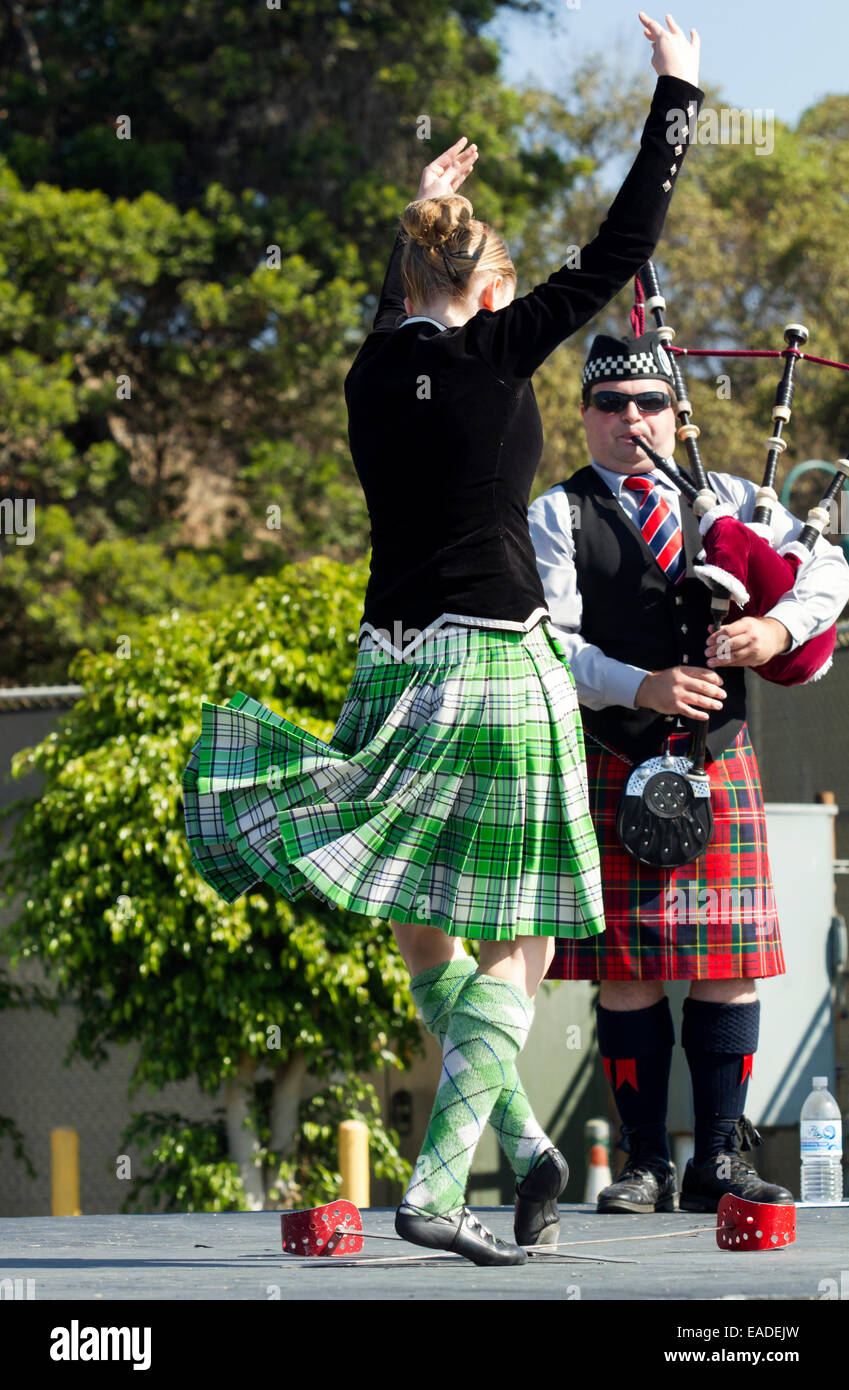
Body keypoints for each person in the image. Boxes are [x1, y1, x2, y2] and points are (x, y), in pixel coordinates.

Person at [183, 14, 703, 1263]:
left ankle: (521, 1149)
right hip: (492, 666)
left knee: (426, 915)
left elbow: (403, 299)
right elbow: (625, 246)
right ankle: (434, 1181)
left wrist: (422, 208)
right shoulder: (495, 350)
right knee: (526, 920)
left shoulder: (372, 370)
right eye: (504, 288)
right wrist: (678, 96)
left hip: (390, 671)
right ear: (484, 292)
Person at [527, 328, 849, 1213]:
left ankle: (717, 1162)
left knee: (727, 966)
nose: (631, 420)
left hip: (717, 763)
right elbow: (552, 644)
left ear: (675, 414)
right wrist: (645, 685)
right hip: (614, 755)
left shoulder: (734, 498)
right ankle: (642, 1165)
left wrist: (775, 631)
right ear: (584, 417)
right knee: (625, 972)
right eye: (610, 405)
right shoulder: (556, 516)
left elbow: (827, 571)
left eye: (649, 404)